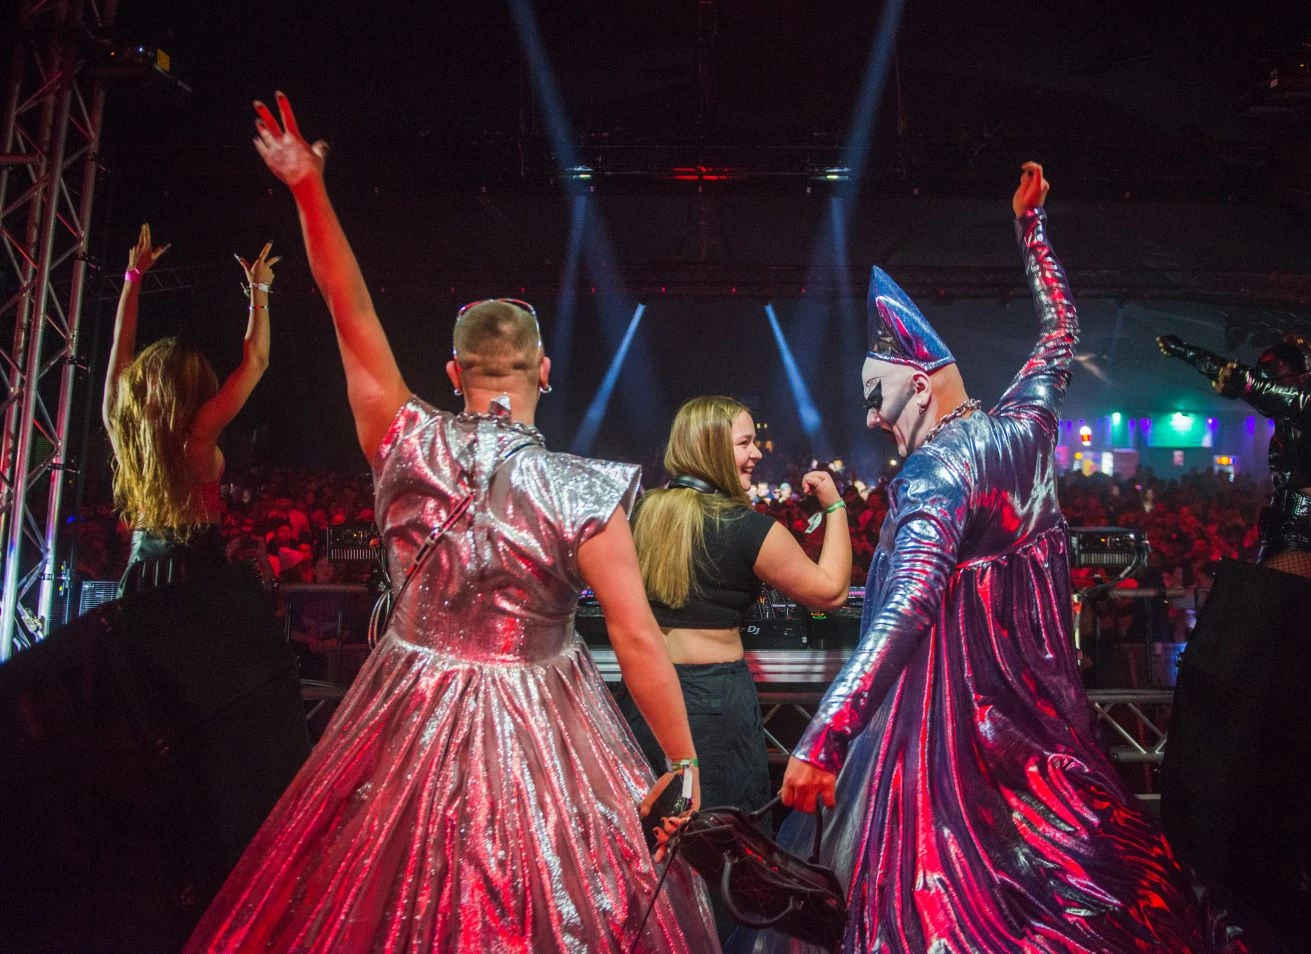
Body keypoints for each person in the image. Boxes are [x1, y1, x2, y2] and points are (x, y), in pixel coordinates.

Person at [185, 93, 718, 953]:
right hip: (548, 720)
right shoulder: (582, 492)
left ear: (453, 370)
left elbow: (342, 305)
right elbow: (638, 638)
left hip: (405, 703)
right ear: (543, 368)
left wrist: (309, 189)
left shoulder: (399, 436)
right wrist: (684, 766)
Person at [753, 164, 1207, 952]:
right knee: (1048, 862)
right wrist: (1031, 234)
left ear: (922, 384)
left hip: (948, 728)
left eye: (878, 393)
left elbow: (908, 608)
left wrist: (827, 733)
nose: (870, 417)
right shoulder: (1025, 424)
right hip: (1033, 715)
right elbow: (1061, 332)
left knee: (941, 888)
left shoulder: (935, 474)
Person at [618, 395, 851, 943]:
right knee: (725, 858)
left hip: (645, 703)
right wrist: (835, 506)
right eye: (744, 443)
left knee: (652, 856)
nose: (755, 454)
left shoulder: (640, 511)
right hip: (715, 709)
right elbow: (832, 590)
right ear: (711, 449)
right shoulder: (745, 527)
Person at [104, 224, 276, 590]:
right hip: (195, 569)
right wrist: (259, 289)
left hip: (141, 567)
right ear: (194, 382)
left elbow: (121, 348)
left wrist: (133, 278)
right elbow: (256, 361)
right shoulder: (198, 433)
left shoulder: (123, 425)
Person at [1156, 332, 1311, 590]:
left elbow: (1283, 397)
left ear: (1295, 375)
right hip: (1297, 530)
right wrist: (1191, 355)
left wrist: (1232, 376)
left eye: (1278, 382)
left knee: (1261, 615)